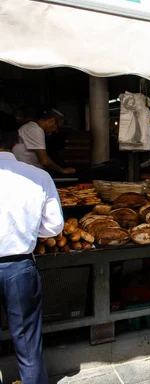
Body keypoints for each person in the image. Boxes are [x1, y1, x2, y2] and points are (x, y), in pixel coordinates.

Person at [0, 126, 64, 384]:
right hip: (20, 268)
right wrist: (27, 228)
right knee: (27, 343)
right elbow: (54, 226)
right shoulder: (38, 176)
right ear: (16, 141)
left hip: (20, 267)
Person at [12, 108, 76, 174]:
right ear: (51, 121)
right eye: (57, 127)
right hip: (26, 172)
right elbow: (45, 161)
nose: (56, 131)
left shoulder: (30, 127)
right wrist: (62, 170)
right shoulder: (35, 130)